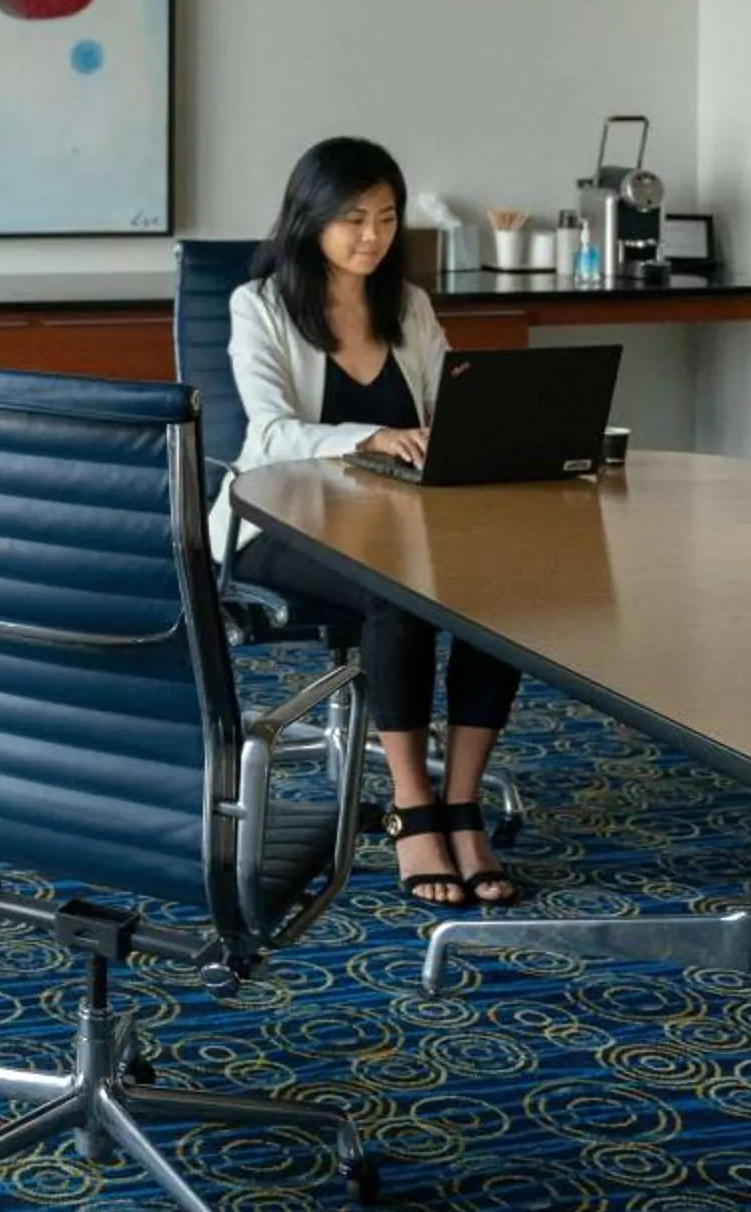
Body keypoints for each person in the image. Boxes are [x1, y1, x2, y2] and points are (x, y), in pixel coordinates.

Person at [208, 137, 524, 910]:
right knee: (398, 592)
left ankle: (462, 804)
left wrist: (478, 429)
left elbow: (446, 408)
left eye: (386, 218)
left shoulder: (406, 305)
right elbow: (271, 434)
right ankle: (414, 808)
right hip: (278, 522)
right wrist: (372, 437)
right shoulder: (260, 305)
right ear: (310, 218)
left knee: (501, 587)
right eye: (353, 219)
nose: (372, 236)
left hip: (400, 520)